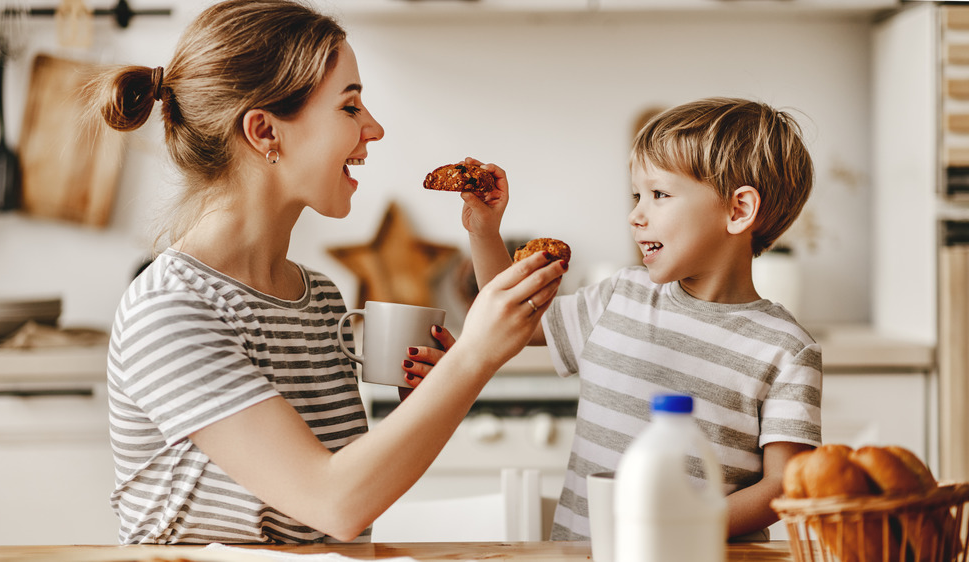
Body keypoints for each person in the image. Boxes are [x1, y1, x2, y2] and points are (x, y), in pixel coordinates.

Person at [89, 0, 566, 545]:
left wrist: (431, 398)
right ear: (265, 132)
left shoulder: (315, 297)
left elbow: (336, 514)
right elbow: (332, 503)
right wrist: (475, 357)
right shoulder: (171, 309)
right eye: (350, 107)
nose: (375, 128)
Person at [458, 97, 822, 542]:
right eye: (637, 195)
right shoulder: (619, 296)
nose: (636, 215)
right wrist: (484, 232)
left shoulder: (786, 348)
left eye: (659, 194)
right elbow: (508, 318)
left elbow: (783, 485)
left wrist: (683, 530)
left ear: (738, 210)